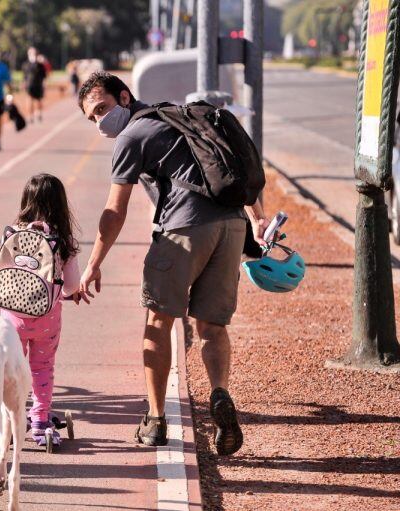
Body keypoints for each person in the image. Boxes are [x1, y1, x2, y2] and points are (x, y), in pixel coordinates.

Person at [75, 71, 268, 455]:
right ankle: (219, 395)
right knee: (212, 326)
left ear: (124, 97)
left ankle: (156, 419)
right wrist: (259, 219)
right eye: (92, 117)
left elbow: (115, 210)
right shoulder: (183, 116)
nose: (100, 122)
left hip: (183, 230)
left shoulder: (131, 136)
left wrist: (93, 263)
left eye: (102, 108)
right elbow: (235, 170)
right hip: (231, 225)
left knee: (158, 320)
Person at [0, 174, 81, 447]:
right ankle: (39, 419)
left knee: (12, 369)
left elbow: (2, 272)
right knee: (41, 368)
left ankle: (12, 422)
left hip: (12, 316)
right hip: (46, 316)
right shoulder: (61, 239)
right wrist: (72, 293)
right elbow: (71, 285)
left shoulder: (13, 233)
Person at [22, 47, 46, 123]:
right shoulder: (26, 64)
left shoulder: (40, 65)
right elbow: (24, 76)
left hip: (38, 85)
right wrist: (23, 83)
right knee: (29, 100)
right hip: (29, 85)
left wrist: (43, 85)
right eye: (31, 53)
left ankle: (38, 113)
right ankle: (30, 116)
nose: (33, 55)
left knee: (38, 100)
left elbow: (43, 76)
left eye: (35, 53)